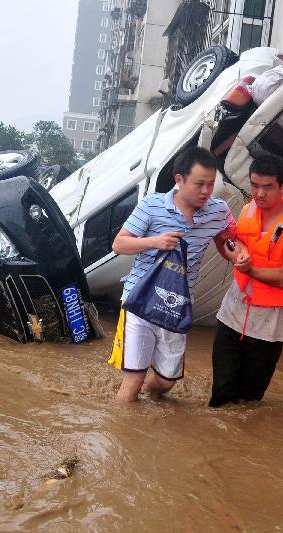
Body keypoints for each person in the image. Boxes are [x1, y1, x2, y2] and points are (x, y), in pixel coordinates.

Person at [107, 146, 242, 404]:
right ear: (179, 180)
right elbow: (119, 244)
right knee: (133, 380)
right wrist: (154, 242)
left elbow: (227, 239)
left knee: (167, 382)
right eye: (199, 184)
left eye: (211, 184)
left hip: (177, 305)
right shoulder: (151, 205)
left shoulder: (219, 211)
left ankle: (148, 398)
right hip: (140, 301)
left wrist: (237, 256)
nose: (206, 191)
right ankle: (121, 434)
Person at [209, 155, 283, 407]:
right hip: (233, 311)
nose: (259, 193)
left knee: (249, 400)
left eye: (267, 187)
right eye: (254, 185)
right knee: (221, 395)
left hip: (269, 322)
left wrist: (247, 268)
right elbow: (233, 246)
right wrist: (223, 242)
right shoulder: (247, 210)